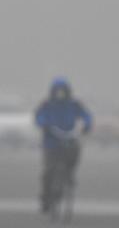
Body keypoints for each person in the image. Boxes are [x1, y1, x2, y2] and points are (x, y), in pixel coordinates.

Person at [34, 77, 92, 213]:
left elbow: (86, 115)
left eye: (63, 91)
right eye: (57, 91)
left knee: (74, 156)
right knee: (48, 170)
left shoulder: (74, 104)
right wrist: (45, 125)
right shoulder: (47, 104)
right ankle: (46, 198)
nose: (60, 94)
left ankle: (70, 175)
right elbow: (39, 116)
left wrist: (87, 125)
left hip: (70, 140)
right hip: (51, 142)